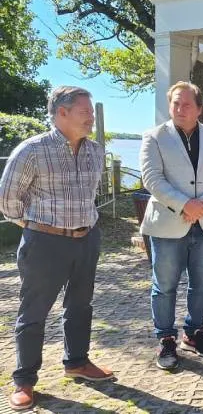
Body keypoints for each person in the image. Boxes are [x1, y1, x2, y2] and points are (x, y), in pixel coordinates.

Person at [0, 86, 114, 410]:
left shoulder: (95, 152)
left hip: (87, 239)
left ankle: (77, 362)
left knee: (80, 305)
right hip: (45, 243)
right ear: (62, 113)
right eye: (85, 111)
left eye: (91, 111)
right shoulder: (32, 150)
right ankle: (24, 381)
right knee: (33, 312)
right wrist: (37, 227)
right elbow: (7, 200)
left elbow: (91, 195)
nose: (91, 117)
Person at [140, 81, 203, 370]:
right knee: (165, 285)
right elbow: (152, 178)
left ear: (200, 108)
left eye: (187, 104)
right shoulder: (154, 137)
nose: (180, 109)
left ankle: (194, 333)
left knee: (202, 284)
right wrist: (185, 204)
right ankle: (166, 338)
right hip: (169, 223)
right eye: (175, 103)